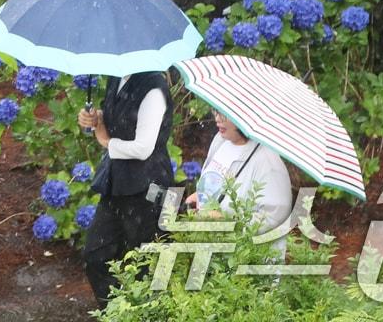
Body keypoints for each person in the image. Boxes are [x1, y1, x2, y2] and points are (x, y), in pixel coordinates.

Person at [76, 70, 174, 308]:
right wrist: (95, 118)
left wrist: (105, 141)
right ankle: (117, 312)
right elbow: (116, 118)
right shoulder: (117, 78)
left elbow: (143, 148)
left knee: (146, 266)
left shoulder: (153, 88)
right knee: (95, 255)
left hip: (149, 187)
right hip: (118, 183)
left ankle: (142, 313)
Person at [185, 109, 293, 257]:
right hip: (210, 250)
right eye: (216, 111)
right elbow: (215, 181)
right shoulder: (220, 140)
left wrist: (226, 221)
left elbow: (273, 219)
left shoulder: (269, 163)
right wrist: (200, 196)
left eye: (225, 113)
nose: (218, 119)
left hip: (243, 263)